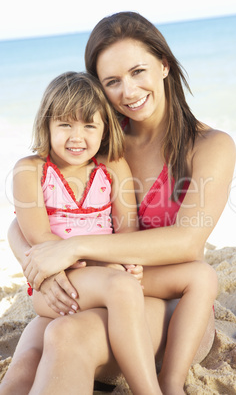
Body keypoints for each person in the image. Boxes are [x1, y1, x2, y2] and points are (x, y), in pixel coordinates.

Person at [1, 11, 236, 395]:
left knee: (66, 335)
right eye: (112, 81)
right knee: (27, 355)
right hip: (94, 284)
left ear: (163, 64)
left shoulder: (210, 146)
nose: (128, 91)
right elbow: (28, 215)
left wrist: (71, 249)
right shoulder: (97, 143)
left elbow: (187, 243)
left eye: (138, 71)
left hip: (170, 302)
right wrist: (38, 264)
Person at [4, 70, 164, 394]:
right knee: (121, 287)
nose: (77, 137)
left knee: (22, 371)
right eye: (65, 124)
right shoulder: (31, 169)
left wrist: (127, 262)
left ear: (105, 128)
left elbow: (127, 230)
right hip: (57, 286)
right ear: (46, 125)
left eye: (89, 125)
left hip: (91, 287)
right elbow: (40, 238)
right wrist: (106, 268)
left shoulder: (112, 166)